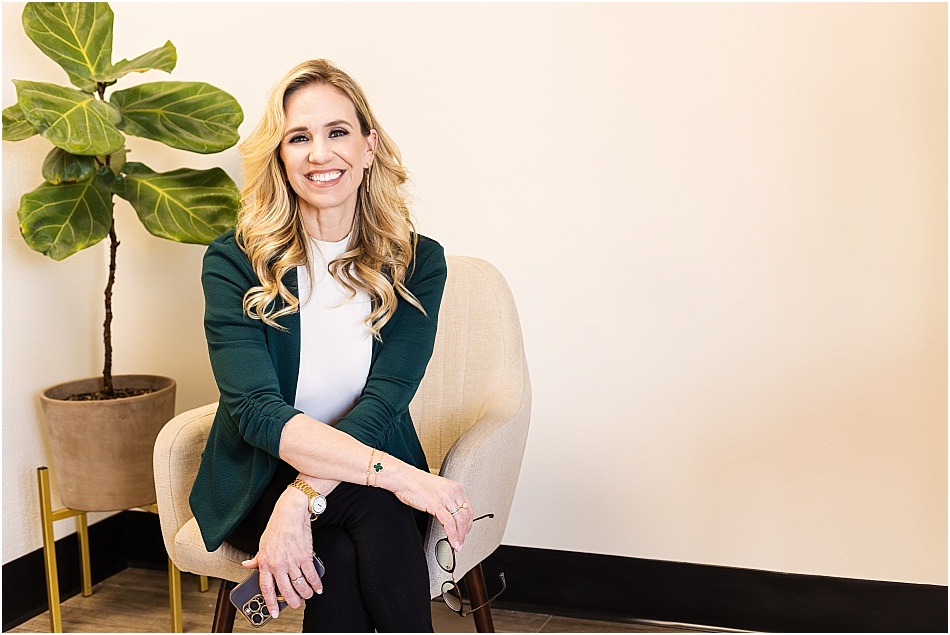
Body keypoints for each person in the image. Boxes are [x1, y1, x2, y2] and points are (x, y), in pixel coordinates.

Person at [189, 59, 474, 632]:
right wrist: (404, 478)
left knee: (342, 551)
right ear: (280, 158)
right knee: (378, 512)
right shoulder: (234, 261)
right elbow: (256, 413)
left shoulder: (418, 262)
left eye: (337, 132)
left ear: (369, 146)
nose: (320, 154)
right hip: (259, 475)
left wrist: (301, 498)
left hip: (354, 462)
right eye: (299, 137)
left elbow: (384, 402)